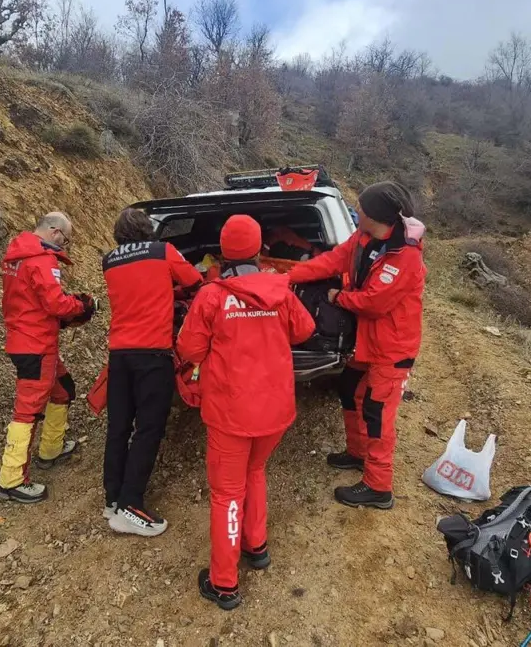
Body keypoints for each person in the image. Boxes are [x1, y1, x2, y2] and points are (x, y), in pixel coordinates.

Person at [176, 215, 315, 610]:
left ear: (222, 253)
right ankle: (257, 546)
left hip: (231, 413)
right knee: (255, 472)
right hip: (275, 410)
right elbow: (304, 331)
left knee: (226, 494)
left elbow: (188, 350)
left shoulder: (212, 296)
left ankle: (224, 583)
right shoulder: (281, 290)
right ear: (259, 251)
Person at [287, 182, 426, 510]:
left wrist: (337, 297)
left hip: (392, 350)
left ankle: (379, 487)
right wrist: (289, 275)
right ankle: (357, 453)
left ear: (375, 216)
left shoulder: (404, 256)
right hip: (369, 342)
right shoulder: (363, 238)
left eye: (361, 207)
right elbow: (333, 261)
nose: (356, 210)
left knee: (378, 413)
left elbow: (374, 303)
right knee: (350, 389)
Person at [101, 208, 203, 536]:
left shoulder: (110, 260)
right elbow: (194, 281)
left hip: (119, 355)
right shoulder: (163, 251)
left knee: (118, 426)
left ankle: (113, 499)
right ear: (149, 230)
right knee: (148, 429)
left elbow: (136, 293)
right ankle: (131, 506)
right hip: (152, 355)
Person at [0, 212, 96, 504]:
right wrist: (82, 305)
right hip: (37, 346)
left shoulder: (17, 256)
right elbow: (56, 304)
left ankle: (51, 448)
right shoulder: (41, 259)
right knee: (27, 412)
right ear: (54, 232)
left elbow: (32, 301)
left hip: (25, 340)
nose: (65, 245)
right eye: (66, 239)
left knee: (63, 390)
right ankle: (11, 479)